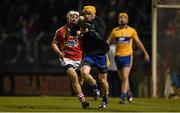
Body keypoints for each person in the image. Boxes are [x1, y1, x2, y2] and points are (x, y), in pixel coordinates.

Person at [108, 12, 150, 104]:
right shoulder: (115, 31)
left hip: (127, 56)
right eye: (120, 18)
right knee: (123, 79)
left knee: (125, 76)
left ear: (127, 20)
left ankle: (122, 96)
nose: (122, 19)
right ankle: (129, 93)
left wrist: (145, 53)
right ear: (118, 20)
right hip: (117, 56)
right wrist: (103, 51)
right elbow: (108, 43)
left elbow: (138, 42)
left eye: (124, 18)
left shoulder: (131, 31)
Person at [51, 10, 89, 109]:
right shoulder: (60, 31)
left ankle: (80, 95)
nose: (74, 18)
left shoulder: (82, 30)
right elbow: (54, 43)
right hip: (66, 59)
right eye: (72, 16)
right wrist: (59, 53)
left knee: (80, 82)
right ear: (68, 18)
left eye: (76, 17)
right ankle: (83, 101)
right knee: (74, 77)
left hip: (79, 59)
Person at [79, 5, 110, 109]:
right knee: (84, 73)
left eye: (88, 13)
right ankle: (95, 86)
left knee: (103, 80)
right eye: (84, 13)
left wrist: (89, 30)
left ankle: (105, 98)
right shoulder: (81, 21)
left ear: (94, 14)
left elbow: (101, 36)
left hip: (101, 53)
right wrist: (78, 32)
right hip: (89, 54)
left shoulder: (99, 22)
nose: (85, 15)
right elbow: (72, 31)